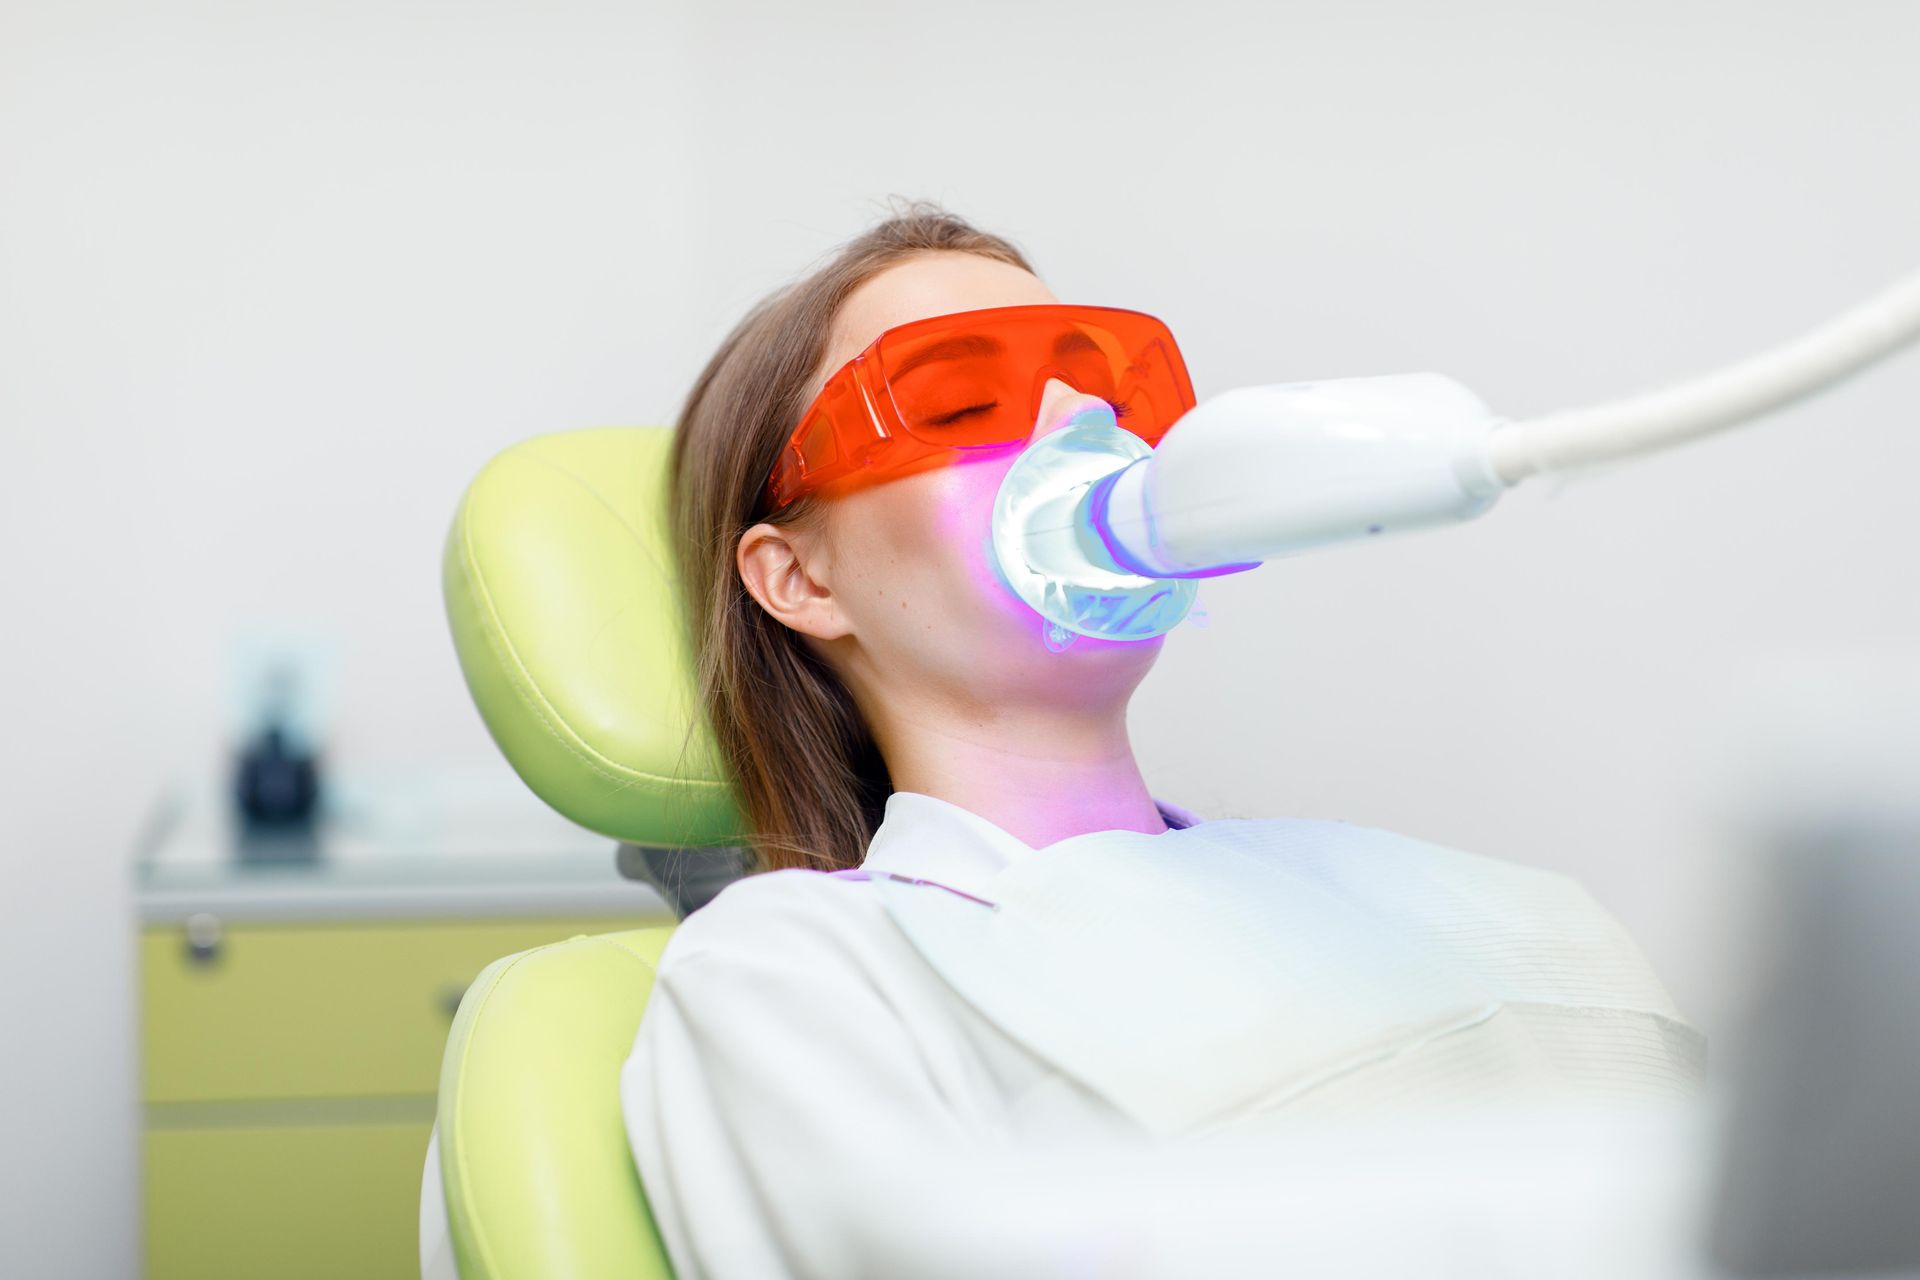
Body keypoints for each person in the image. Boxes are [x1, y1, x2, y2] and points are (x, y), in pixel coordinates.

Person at [620, 200, 1706, 1279]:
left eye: (1103, 391)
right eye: (960, 399)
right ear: (799, 577)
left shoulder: (1414, 891)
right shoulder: (798, 966)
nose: (1077, 428)